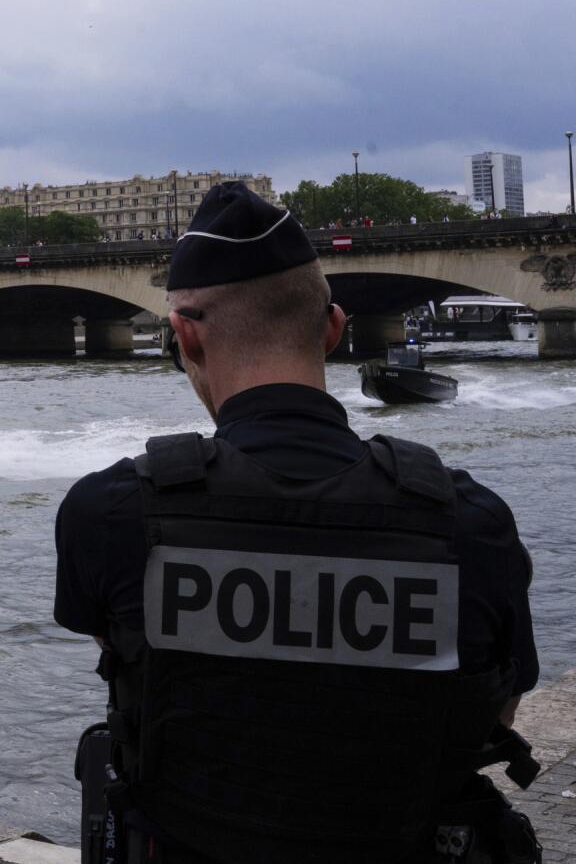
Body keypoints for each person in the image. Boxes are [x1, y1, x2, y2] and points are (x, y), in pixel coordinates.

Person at [54, 183, 541, 863]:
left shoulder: (108, 515)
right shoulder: (470, 524)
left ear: (185, 337)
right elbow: (496, 712)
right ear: (335, 328)